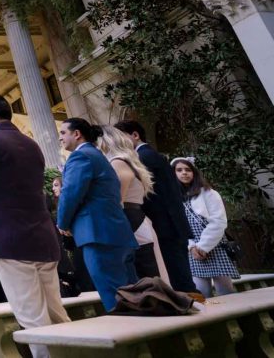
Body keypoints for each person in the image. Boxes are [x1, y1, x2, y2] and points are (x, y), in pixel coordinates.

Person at [0, 95, 68, 358]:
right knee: (56, 313)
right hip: (42, 237)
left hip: (10, 241)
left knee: (32, 317)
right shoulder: (31, 144)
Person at [56, 119, 138, 312]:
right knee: (131, 295)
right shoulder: (97, 155)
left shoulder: (80, 156)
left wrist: (62, 223)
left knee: (115, 299)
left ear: (77, 134)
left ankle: (127, 338)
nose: (60, 138)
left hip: (98, 235)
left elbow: (70, 193)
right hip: (116, 233)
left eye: (62, 133)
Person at [115, 120, 198, 299]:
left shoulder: (143, 156)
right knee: (178, 273)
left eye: (121, 137)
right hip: (169, 223)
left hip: (166, 224)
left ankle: (193, 307)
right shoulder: (148, 155)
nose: (118, 142)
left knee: (179, 277)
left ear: (135, 135)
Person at [97, 126, 166, 281]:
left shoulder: (116, 162)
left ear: (104, 141)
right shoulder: (125, 161)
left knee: (148, 279)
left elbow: (116, 200)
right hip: (135, 221)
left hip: (131, 222)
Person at [172, 158, 240, 297]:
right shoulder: (174, 197)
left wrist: (203, 247)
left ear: (194, 172)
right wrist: (192, 247)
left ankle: (233, 317)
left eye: (188, 169)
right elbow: (178, 227)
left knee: (226, 291)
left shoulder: (209, 193)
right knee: (202, 293)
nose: (184, 173)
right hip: (192, 249)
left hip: (214, 245)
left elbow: (219, 221)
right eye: (179, 170)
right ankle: (211, 319)